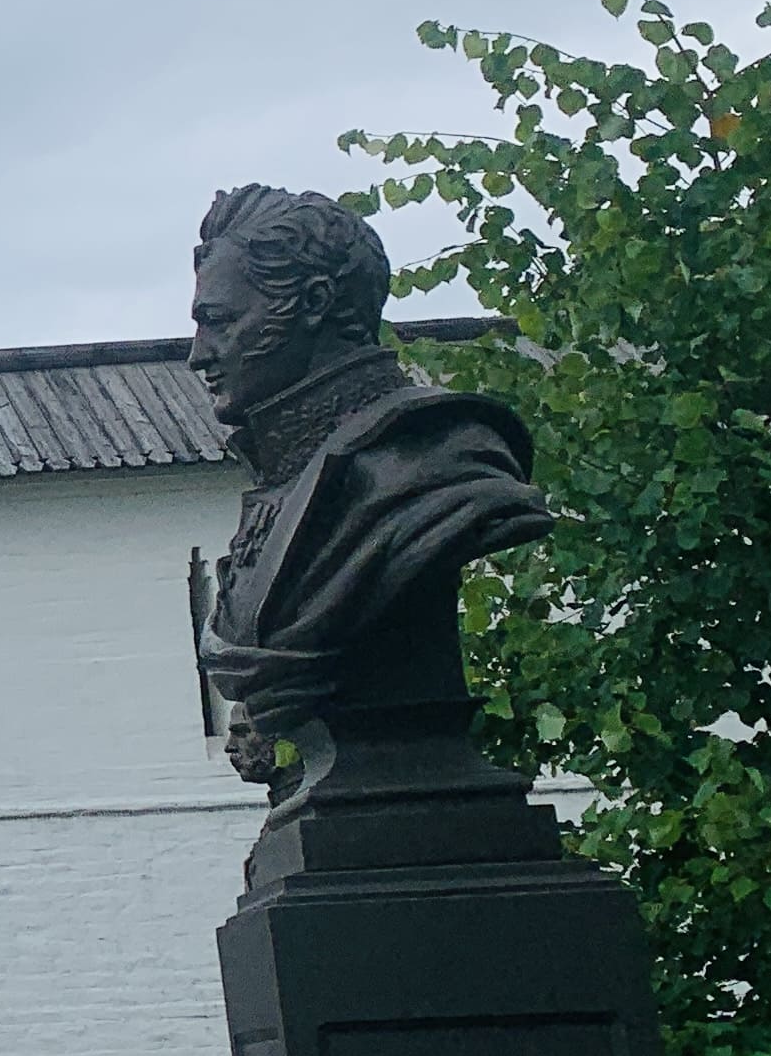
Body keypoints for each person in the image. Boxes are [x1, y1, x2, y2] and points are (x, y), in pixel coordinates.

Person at [187, 184, 552, 782]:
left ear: (313, 302)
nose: (199, 355)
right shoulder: (282, 476)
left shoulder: (436, 461)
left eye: (221, 322)